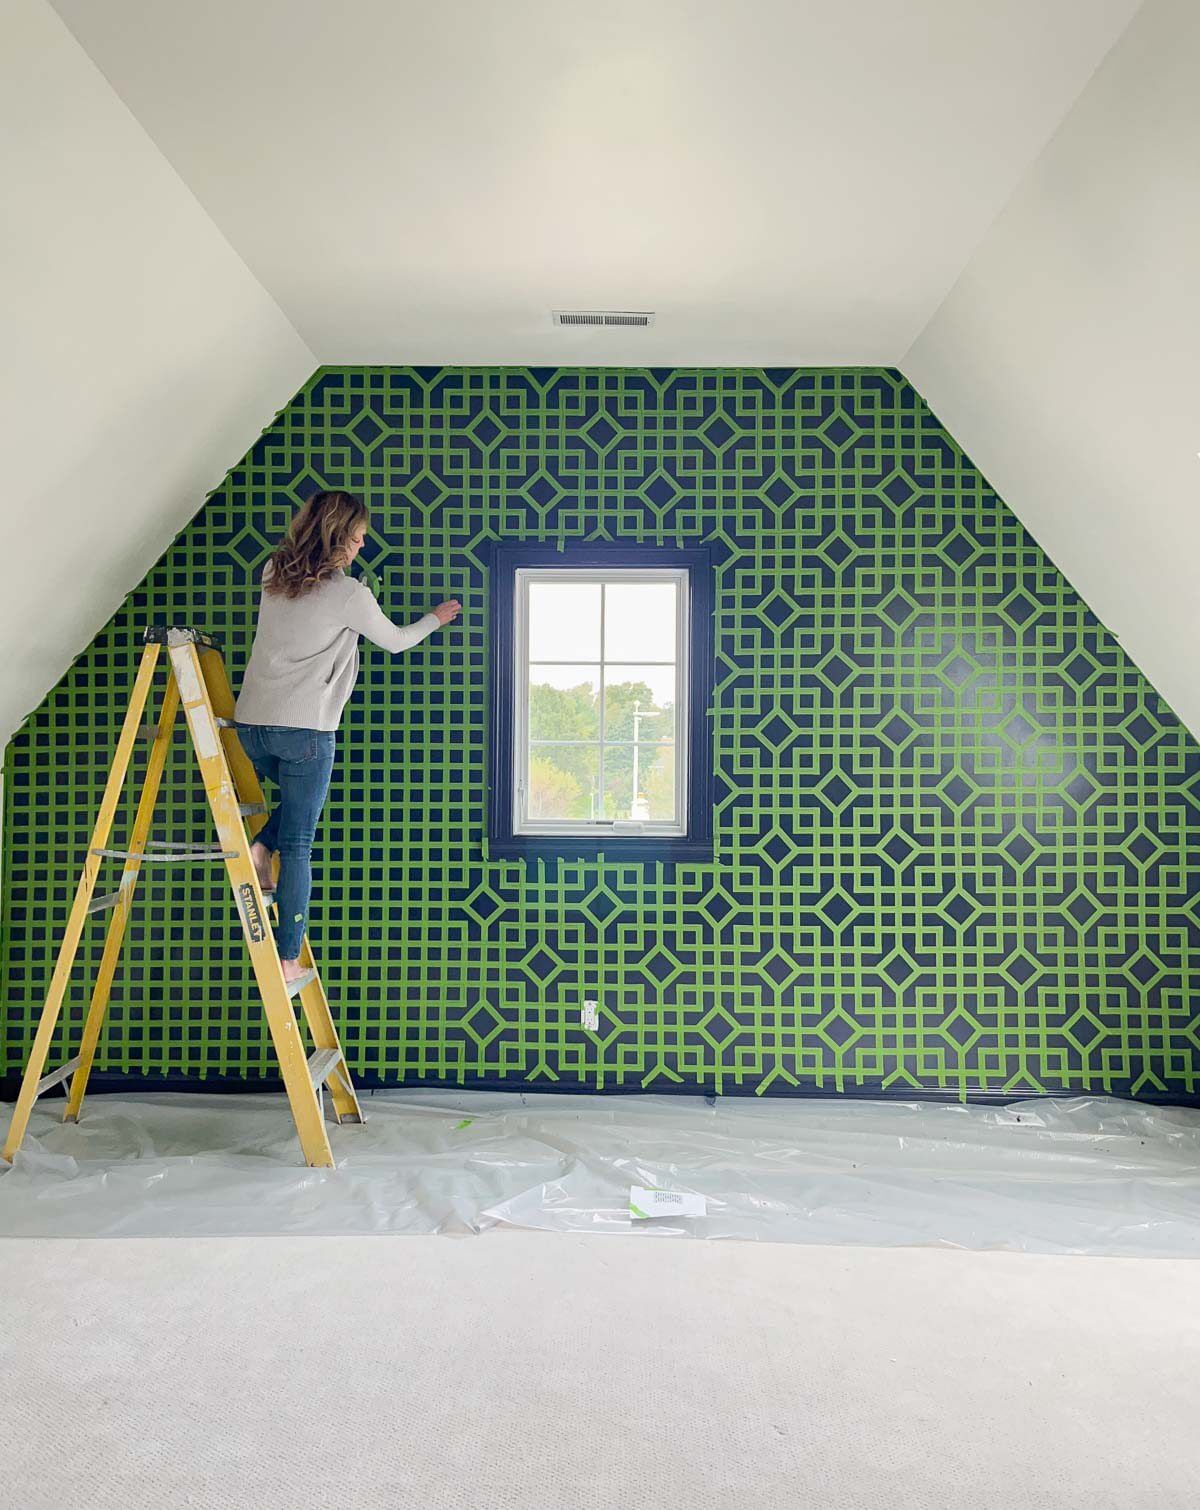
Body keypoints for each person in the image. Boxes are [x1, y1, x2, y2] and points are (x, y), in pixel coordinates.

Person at [235, 490, 460, 980]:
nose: (360, 547)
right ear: (338, 537)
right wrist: (435, 619)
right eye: (356, 539)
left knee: (292, 819)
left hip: (251, 728)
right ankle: (288, 958)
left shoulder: (273, 573)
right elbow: (397, 642)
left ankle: (259, 848)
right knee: (298, 843)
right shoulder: (349, 595)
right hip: (306, 731)